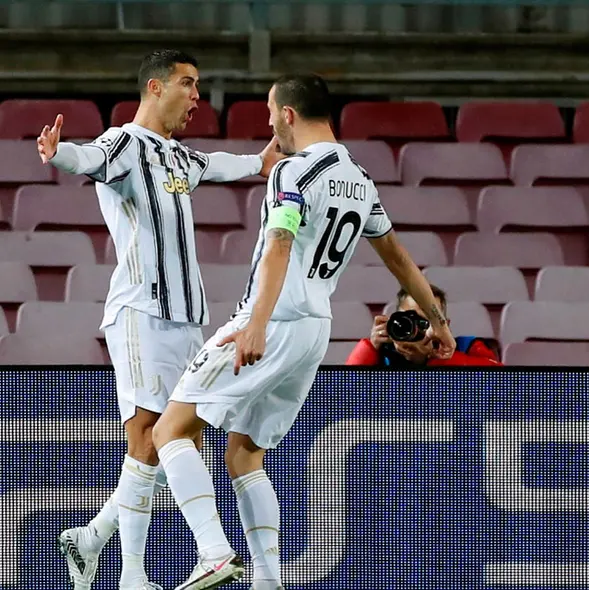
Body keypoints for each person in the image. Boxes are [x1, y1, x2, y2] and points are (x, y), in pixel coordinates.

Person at [150, 73, 456, 590]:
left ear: (288, 114)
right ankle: (269, 581)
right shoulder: (360, 180)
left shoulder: (292, 172)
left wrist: (256, 326)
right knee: (244, 452)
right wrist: (442, 325)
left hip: (273, 320)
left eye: (271, 112)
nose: (269, 122)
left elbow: (279, 247)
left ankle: (213, 552)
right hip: (316, 329)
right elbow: (399, 259)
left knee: (169, 430)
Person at [36, 50, 283, 590]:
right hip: (140, 310)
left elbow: (213, 165)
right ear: (155, 87)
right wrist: (59, 155)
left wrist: (258, 165)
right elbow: (89, 158)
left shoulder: (173, 157)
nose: (198, 97)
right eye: (189, 85)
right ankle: (136, 572)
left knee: (177, 441)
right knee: (147, 432)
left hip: (186, 316)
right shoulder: (123, 144)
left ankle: (96, 541)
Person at [346, 284, 502, 366]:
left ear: (445, 326)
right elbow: (342, 393)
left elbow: (503, 382)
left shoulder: (466, 347)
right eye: (408, 318)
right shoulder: (381, 352)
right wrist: (369, 349)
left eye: (424, 321)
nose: (416, 327)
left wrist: (437, 359)